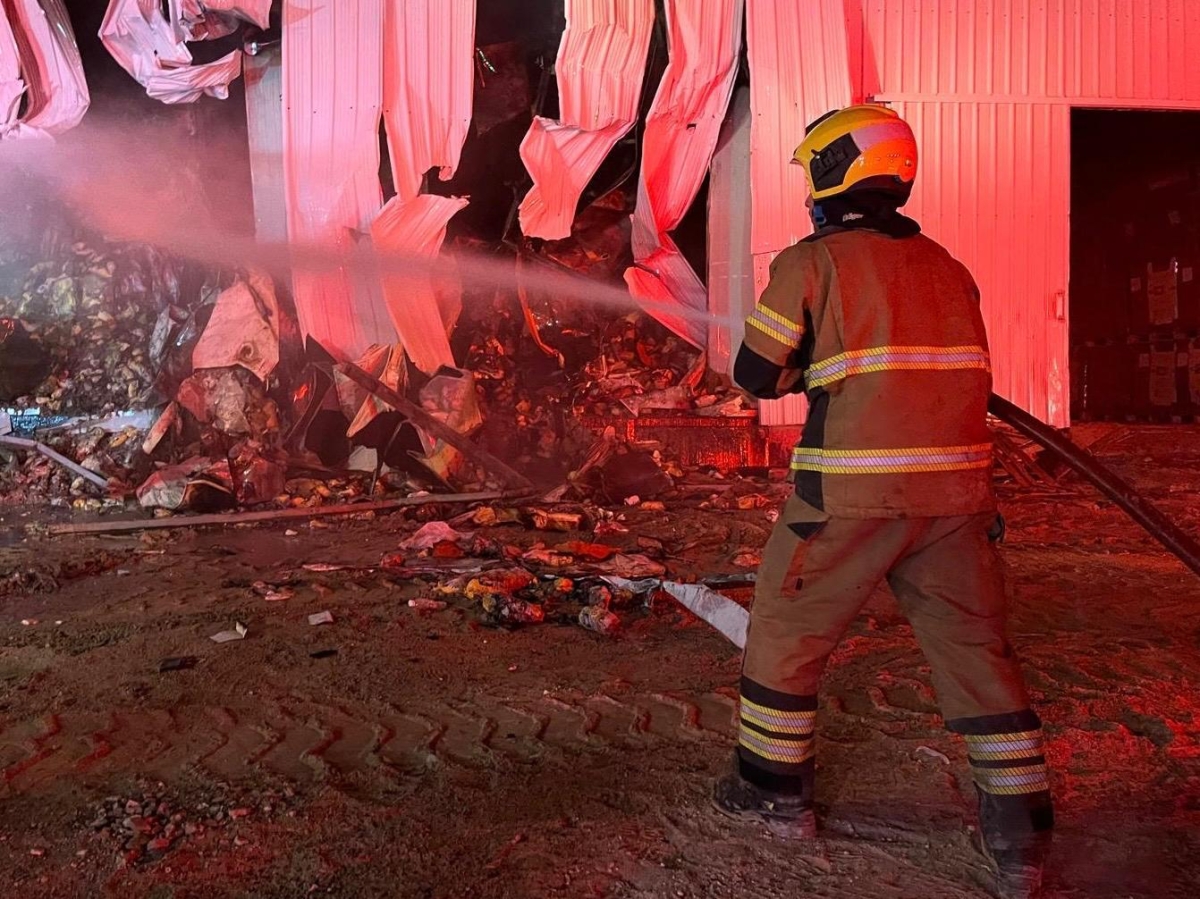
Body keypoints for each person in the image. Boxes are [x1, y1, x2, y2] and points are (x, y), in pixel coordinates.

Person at [713, 104, 1054, 899]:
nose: (809, 194)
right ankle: (1021, 835)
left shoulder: (812, 264)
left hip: (848, 499)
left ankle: (772, 794)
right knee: (977, 652)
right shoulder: (947, 268)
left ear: (836, 173)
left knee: (785, 632)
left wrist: (804, 360)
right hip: (957, 502)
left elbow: (756, 372)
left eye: (813, 175)